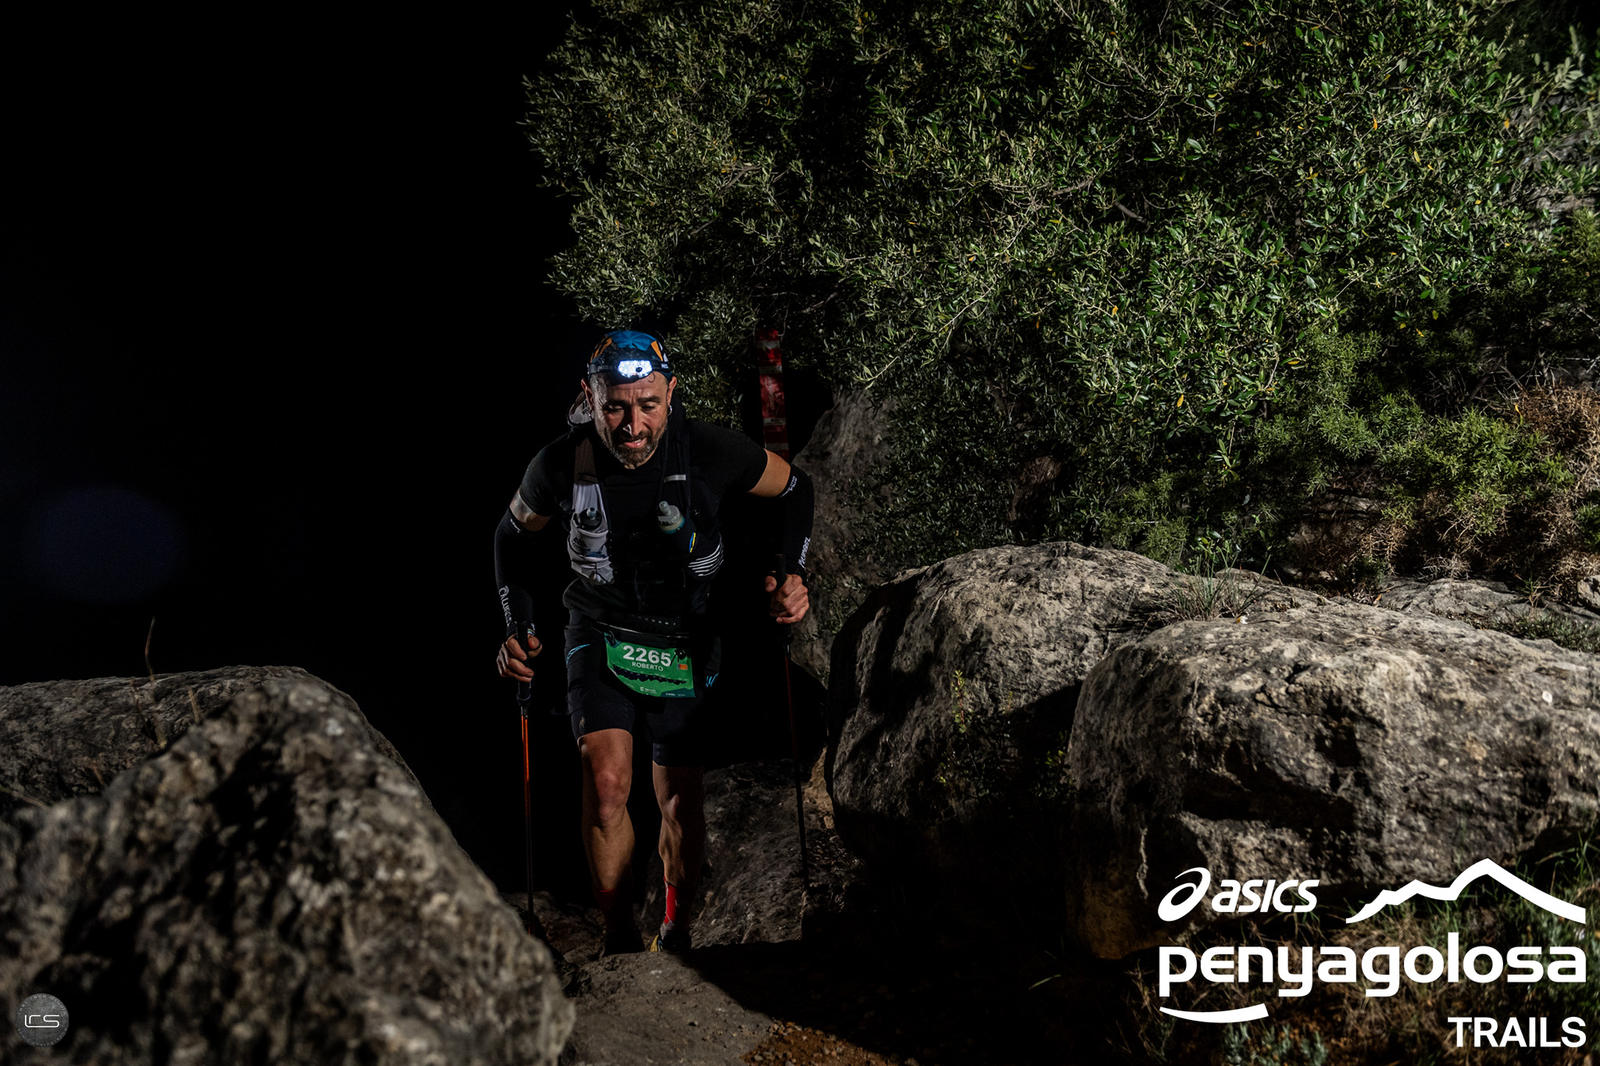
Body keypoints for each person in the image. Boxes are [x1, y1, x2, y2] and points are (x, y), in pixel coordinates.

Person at [494, 329, 813, 955]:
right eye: (615, 407)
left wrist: (792, 572)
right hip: (598, 627)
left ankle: (676, 929)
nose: (633, 426)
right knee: (607, 784)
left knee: (679, 798)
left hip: (685, 635)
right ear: (590, 398)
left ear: (670, 394)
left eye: (648, 405)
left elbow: (795, 489)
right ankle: (617, 939)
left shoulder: (710, 450)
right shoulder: (559, 464)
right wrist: (515, 625)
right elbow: (510, 536)